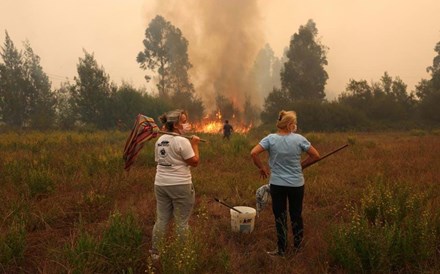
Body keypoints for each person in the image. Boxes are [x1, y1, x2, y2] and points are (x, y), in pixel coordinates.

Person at [250, 110, 320, 257]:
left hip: (277, 184)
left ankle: (281, 250)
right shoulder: (299, 139)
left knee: (280, 217)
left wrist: (262, 168)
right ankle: (298, 248)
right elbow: (315, 155)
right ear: (289, 124)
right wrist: (301, 166)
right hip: (297, 185)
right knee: (296, 215)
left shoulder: (270, 139)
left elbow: (254, 153)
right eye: (294, 123)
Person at [150, 109, 200, 260]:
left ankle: (155, 253)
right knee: (181, 222)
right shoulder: (182, 141)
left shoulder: (159, 140)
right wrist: (195, 144)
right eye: (184, 122)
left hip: (160, 184)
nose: (186, 124)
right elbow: (194, 161)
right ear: (176, 124)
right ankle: (183, 254)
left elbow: (159, 160)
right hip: (180, 185)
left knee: (162, 219)